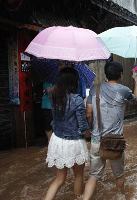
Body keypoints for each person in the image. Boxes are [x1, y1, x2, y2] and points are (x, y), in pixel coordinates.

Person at [83, 61, 137, 200]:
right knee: (119, 175)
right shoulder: (124, 90)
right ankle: (121, 196)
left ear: (105, 74)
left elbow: (88, 113)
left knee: (93, 176)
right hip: (115, 141)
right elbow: (136, 98)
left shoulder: (94, 89)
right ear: (120, 74)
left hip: (97, 139)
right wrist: (136, 80)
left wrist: (92, 130)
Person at [44, 67, 90, 200]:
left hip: (57, 140)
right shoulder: (77, 100)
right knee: (79, 176)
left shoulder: (52, 95)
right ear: (74, 82)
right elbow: (82, 126)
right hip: (74, 142)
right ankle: (78, 197)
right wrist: (90, 134)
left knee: (59, 179)